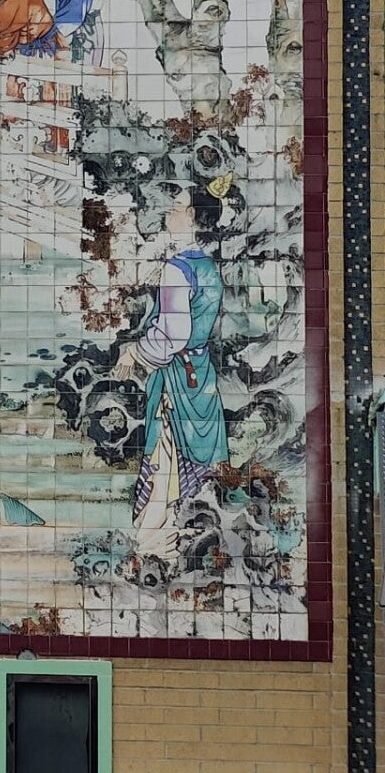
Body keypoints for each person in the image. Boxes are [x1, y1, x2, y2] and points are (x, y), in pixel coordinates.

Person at [112, 176, 238, 567]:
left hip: (176, 378)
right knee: (197, 463)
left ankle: (155, 548)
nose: (169, 211)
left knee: (164, 460)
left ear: (194, 217)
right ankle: (191, 544)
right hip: (201, 374)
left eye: (177, 207)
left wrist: (134, 351)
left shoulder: (176, 269)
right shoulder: (207, 267)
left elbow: (172, 335)